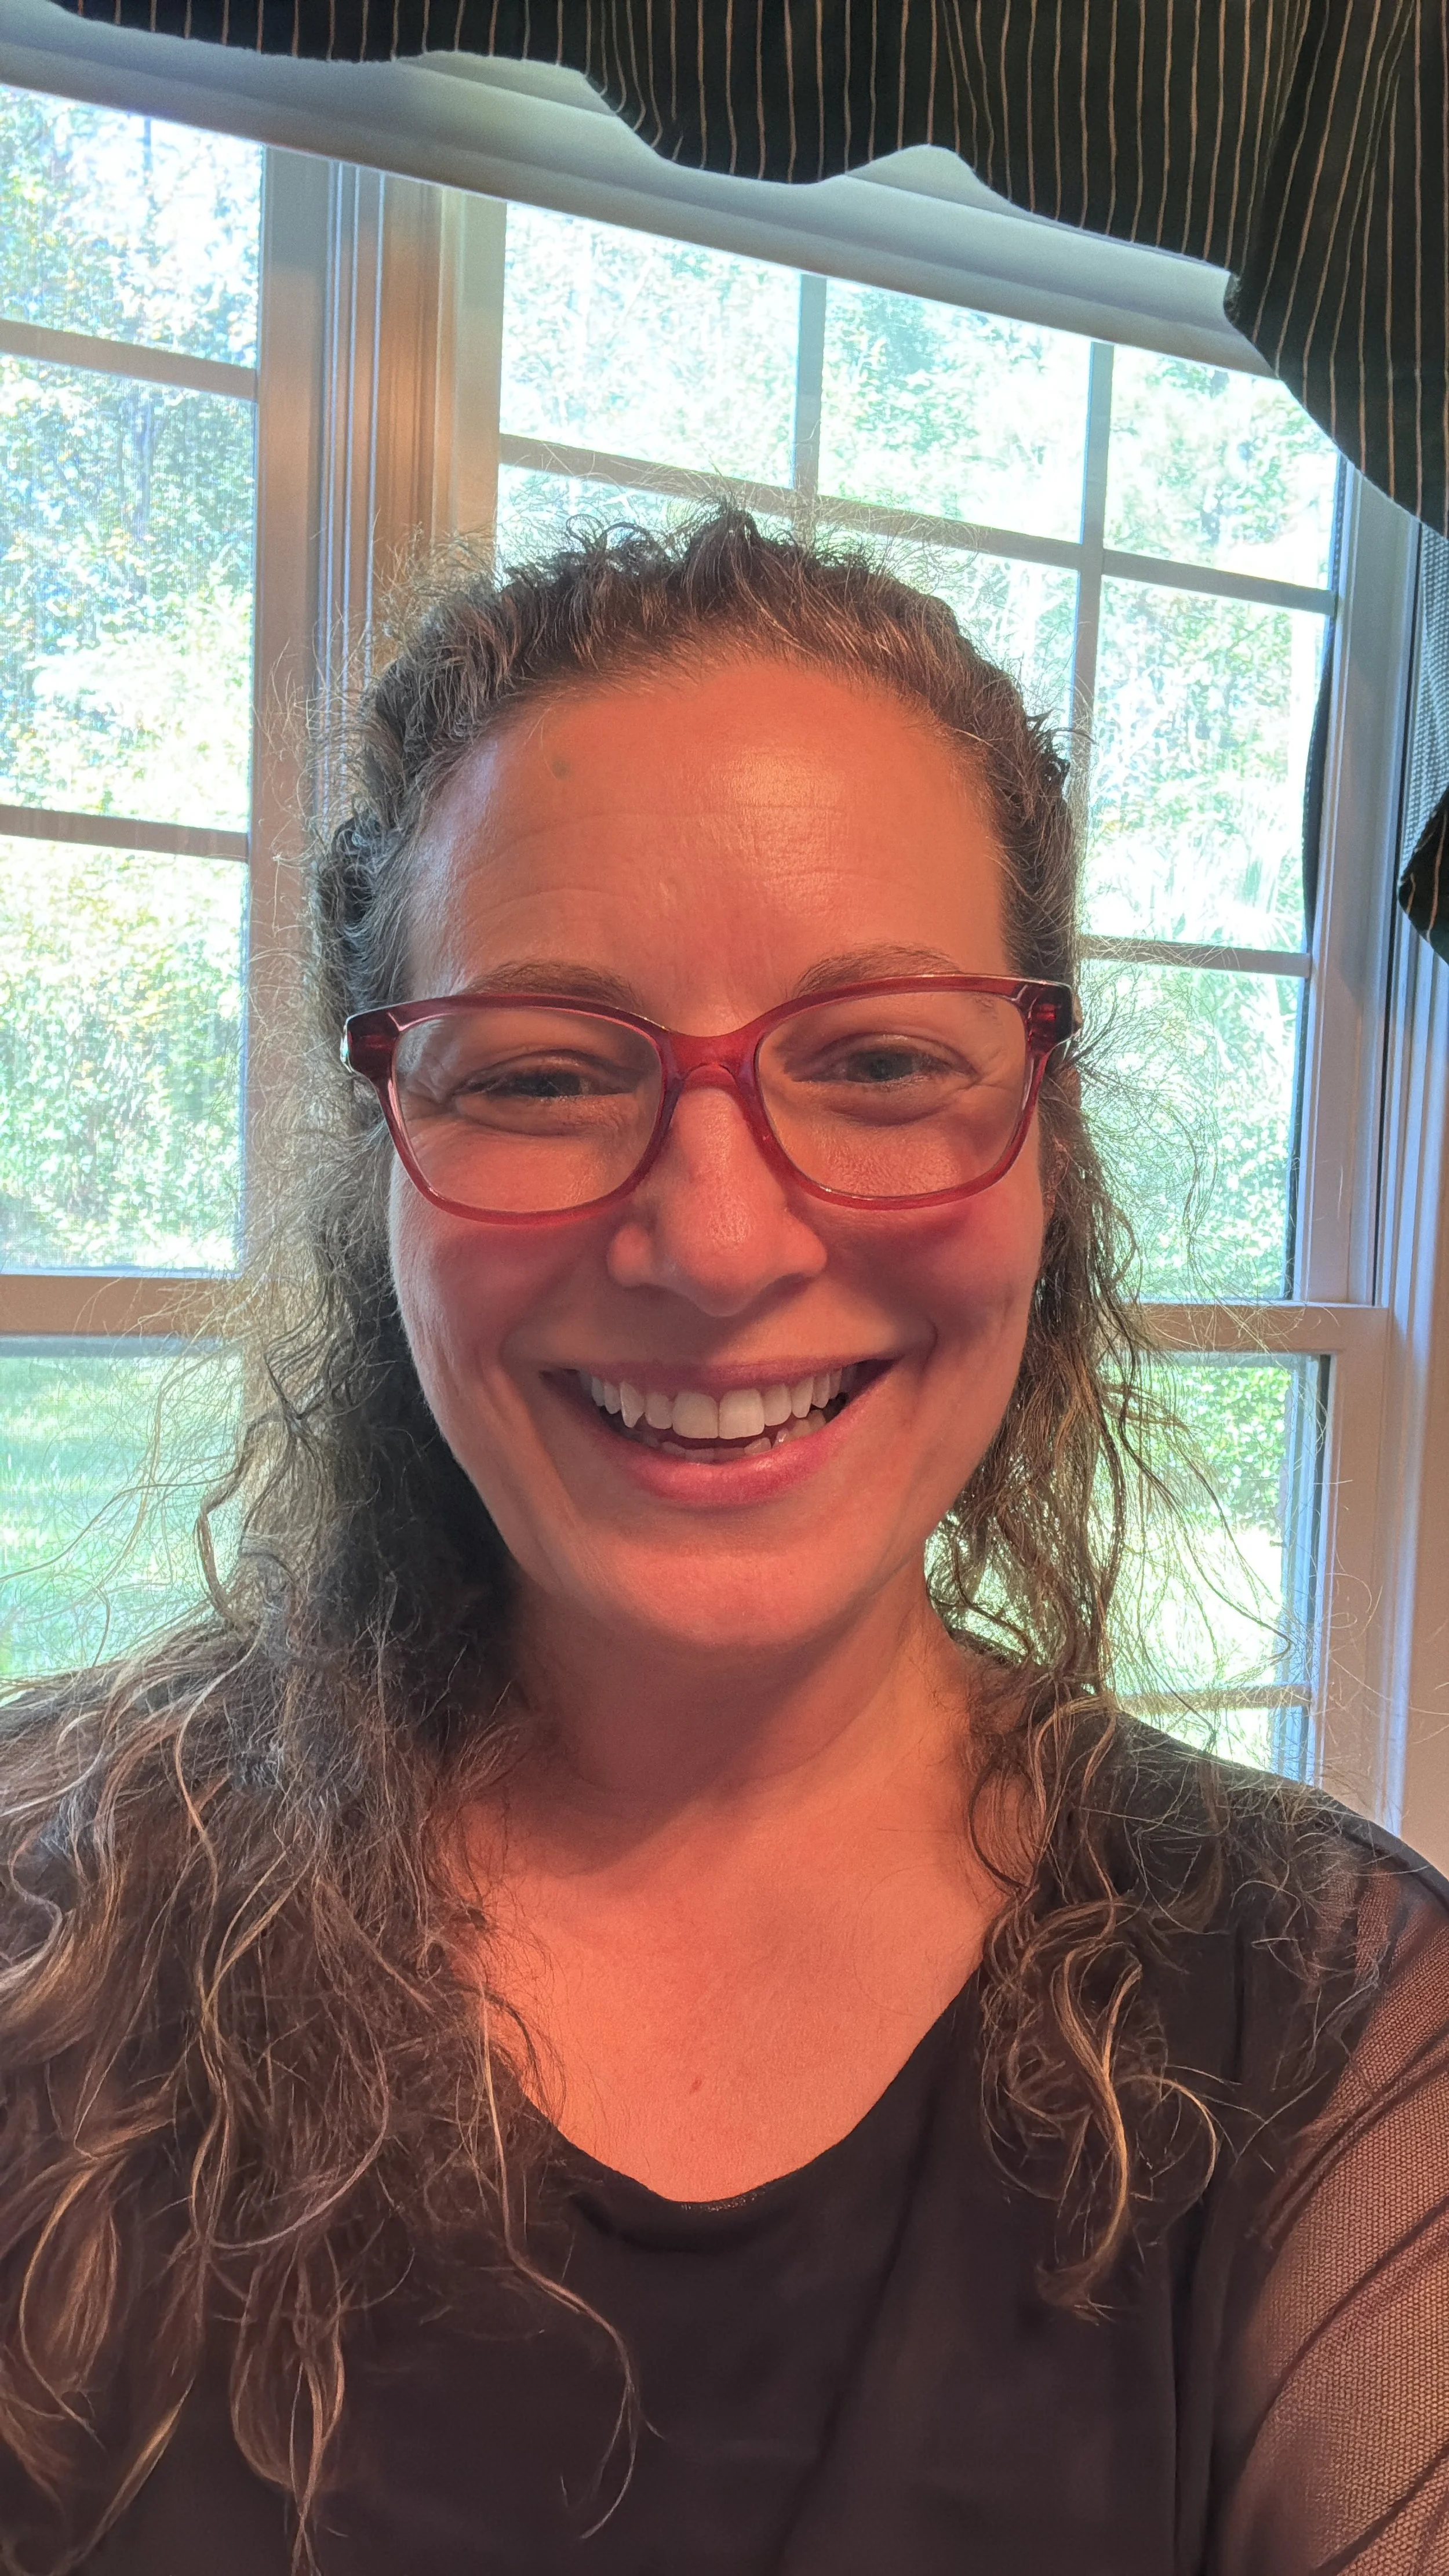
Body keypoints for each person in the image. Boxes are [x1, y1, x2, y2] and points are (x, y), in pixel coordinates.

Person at [1, 512, 1445, 2576]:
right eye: (541, 1072)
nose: (715, 1241)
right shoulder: (42, 1932)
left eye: (876, 1060)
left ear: (1048, 1146)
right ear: (377, 1173)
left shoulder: (1336, 2038)